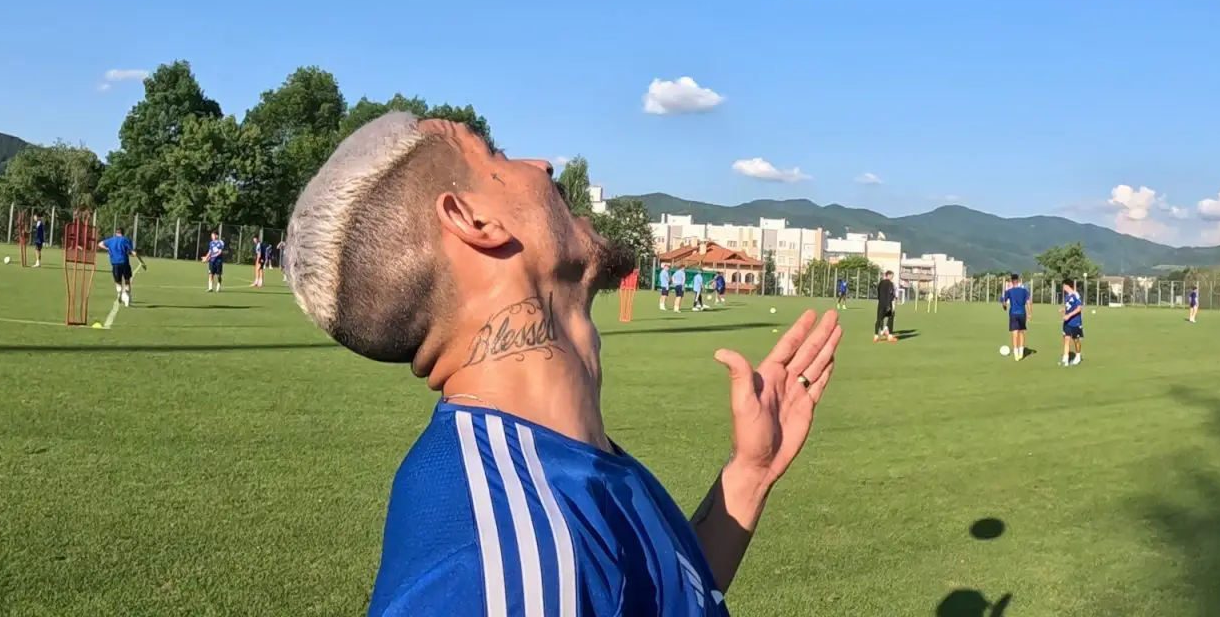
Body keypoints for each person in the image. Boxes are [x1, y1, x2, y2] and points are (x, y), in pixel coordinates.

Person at [283, 112, 842, 616]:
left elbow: (653, 599)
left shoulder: (566, 461)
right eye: (495, 154)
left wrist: (749, 476)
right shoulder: (492, 565)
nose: (543, 165)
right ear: (473, 220)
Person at [96, 227, 143, 307]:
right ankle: (127, 298)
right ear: (123, 233)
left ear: (116, 233)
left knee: (118, 282)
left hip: (115, 264)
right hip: (124, 263)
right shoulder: (125, 240)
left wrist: (108, 248)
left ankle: (119, 293)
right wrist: (141, 261)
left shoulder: (111, 240)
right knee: (127, 280)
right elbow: (134, 253)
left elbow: (100, 244)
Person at [999, 273, 1031, 361]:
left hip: (1013, 313)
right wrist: (1029, 313)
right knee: (1021, 332)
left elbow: (1004, 303)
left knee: (1015, 333)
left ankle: (1016, 355)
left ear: (1012, 281)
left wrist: (1004, 305)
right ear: (1018, 280)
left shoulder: (1009, 291)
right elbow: (1028, 302)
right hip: (1022, 313)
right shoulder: (1024, 291)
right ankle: (1021, 353)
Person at [1060, 278, 1084, 366]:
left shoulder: (1075, 295)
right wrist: (1064, 310)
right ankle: (1065, 359)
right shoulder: (1067, 296)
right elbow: (1069, 306)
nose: (1063, 287)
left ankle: (1078, 356)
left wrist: (1069, 315)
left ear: (1067, 286)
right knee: (1066, 338)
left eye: (1064, 286)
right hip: (1067, 322)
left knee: (1076, 340)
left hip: (1075, 322)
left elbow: (1079, 308)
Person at [874, 270, 898, 343]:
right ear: (889, 275)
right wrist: (893, 300)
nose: (892, 277)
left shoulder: (880, 283)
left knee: (879, 319)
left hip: (881, 303)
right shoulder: (890, 283)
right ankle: (890, 336)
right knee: (891, 317)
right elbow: (890, 294)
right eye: (892, 275)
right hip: (887, 304)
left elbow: (878, 292)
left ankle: (876, 336)